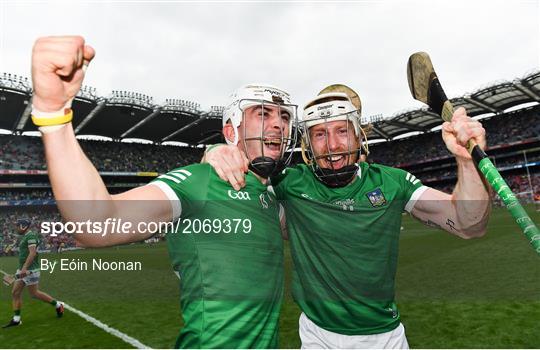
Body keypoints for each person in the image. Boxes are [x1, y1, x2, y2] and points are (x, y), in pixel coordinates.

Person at [30, 35, 297, 348]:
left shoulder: (272, 198)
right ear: (231, 130)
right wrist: (53, 115)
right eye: (263, 114)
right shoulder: (198, 182)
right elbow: (96, 226)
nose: (278, 124)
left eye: (284, 116)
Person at [205, 89, 491, 348]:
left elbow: (468, 224)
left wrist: (467, 161)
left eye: (342, 131)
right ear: (308, 144)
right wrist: (215, 152)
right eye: (319, 134)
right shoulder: (289, 182)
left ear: (358, 136)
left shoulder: (392, 183)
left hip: (385, 338)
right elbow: (239, 179)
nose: (332, 145)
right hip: (318, 336)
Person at [3, 219, 64, 328]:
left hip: (29, 270)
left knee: (34, 294)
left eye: (17, 226)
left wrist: (24, 269)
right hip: (23, 269)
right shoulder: (26, 236)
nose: (16, 228)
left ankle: (58, 305)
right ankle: (16, 320)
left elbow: (32, 253)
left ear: (23, 226)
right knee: (16, 293)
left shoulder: (31, 236)